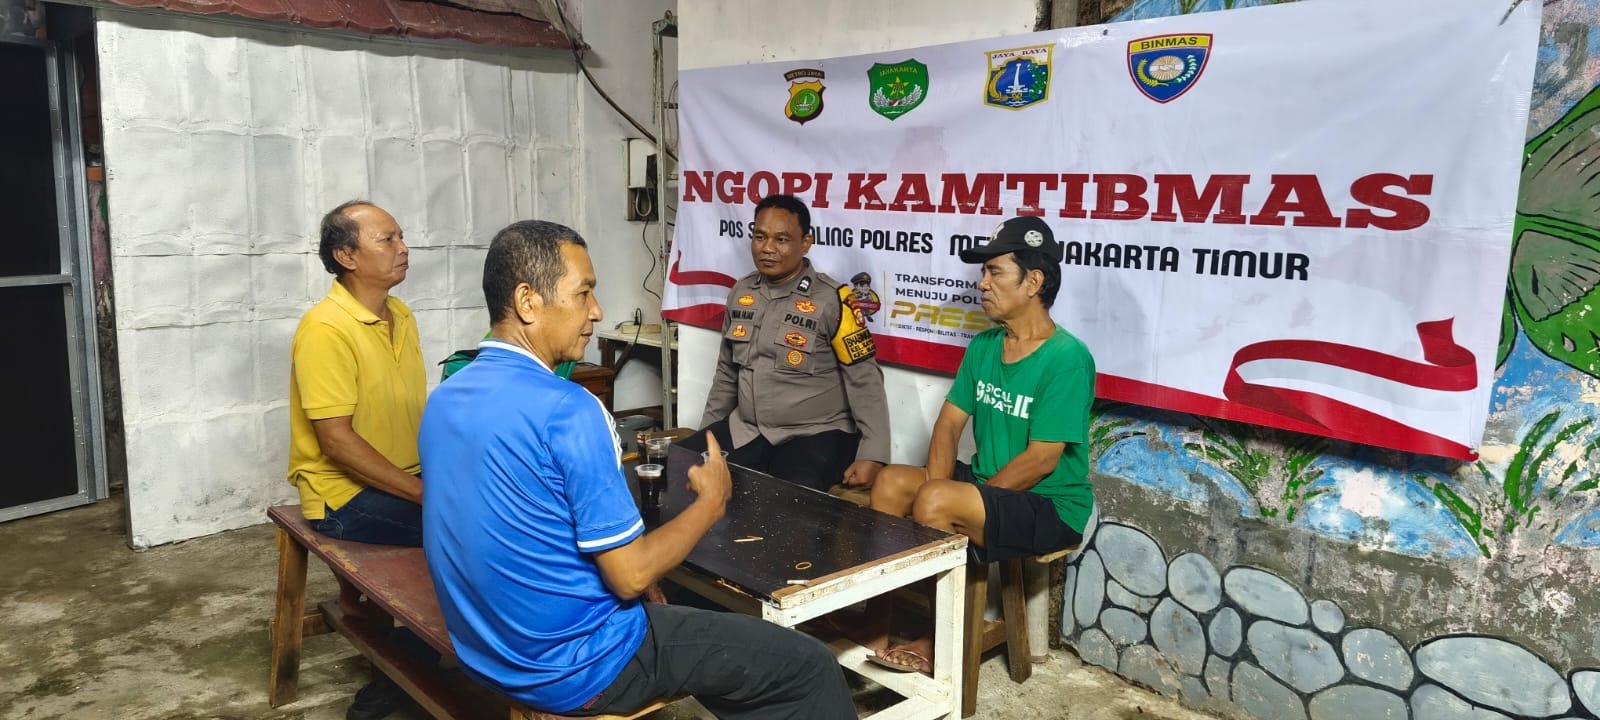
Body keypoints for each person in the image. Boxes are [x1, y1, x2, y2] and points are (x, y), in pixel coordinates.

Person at [418, 220, 854, 719]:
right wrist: (711, 502)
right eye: (583, 293)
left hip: (486, 652)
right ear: (527, 301)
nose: (596, 311)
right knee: (809, 666)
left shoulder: (446, 396)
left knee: (724, 641)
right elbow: (630, 577)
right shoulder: (570, 410)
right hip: (581, 667)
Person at [854, 215, 1096, 674]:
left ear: (1033, 282)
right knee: (891, 483)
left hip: (1051, 504)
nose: (982, 283)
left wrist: (948, 497)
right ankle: (876, 621)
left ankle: (940, 636)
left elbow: (1042, 460)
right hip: (991, 484)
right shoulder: (985, 345)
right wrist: (937, 488)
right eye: (983, 272)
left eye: (994, 272)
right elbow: (948, 424)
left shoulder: (1067, 357)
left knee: (936, 498)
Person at [286, 200, 429, 719]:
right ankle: (395, 685)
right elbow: (337, 443)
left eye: (401, 236)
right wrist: (425, 494)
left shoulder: (402, 316)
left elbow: (408, 413)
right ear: (346, 256)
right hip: (342, 495)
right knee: (469, 534)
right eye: (387, 239)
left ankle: (422, 654)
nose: (403, 248)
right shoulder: (325, 329)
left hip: (401, 479)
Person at [688, 194, 891, 492]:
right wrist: (708, 434)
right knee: (684, 466)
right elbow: (726, 374)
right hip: (747, 430)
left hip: (815, 435)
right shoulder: (741, 292)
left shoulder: (834, 300)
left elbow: (865, 379)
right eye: (760, 237)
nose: (767, 248)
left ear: (805, 243)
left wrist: (873, 454)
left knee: (790, 501)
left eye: (781, 239)